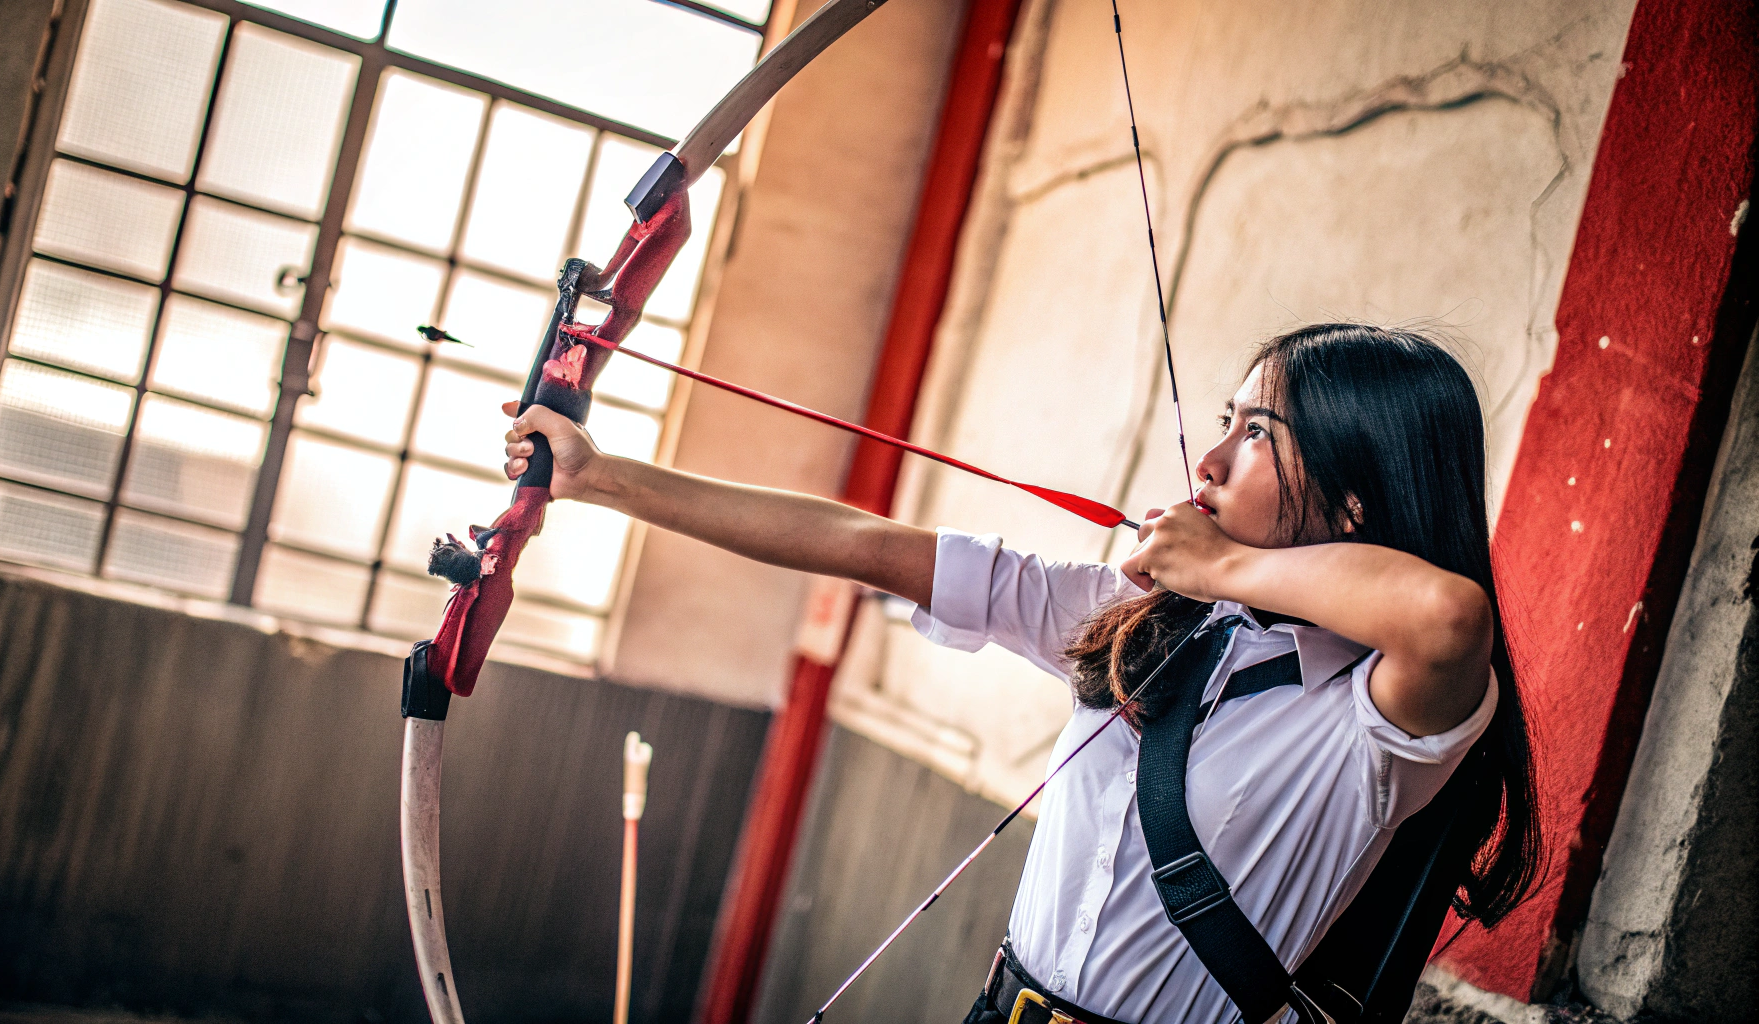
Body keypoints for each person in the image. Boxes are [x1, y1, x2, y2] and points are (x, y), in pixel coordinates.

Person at [501, 323, 1541, 1024]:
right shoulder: (1142, 625)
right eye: (1221, 421)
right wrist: (603, 480)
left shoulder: (1371, 718)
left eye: (1256, 434)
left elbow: (1448, 614)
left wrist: (1224, 563)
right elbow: (866, 543)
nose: (1210, 461)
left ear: (1355, 501)